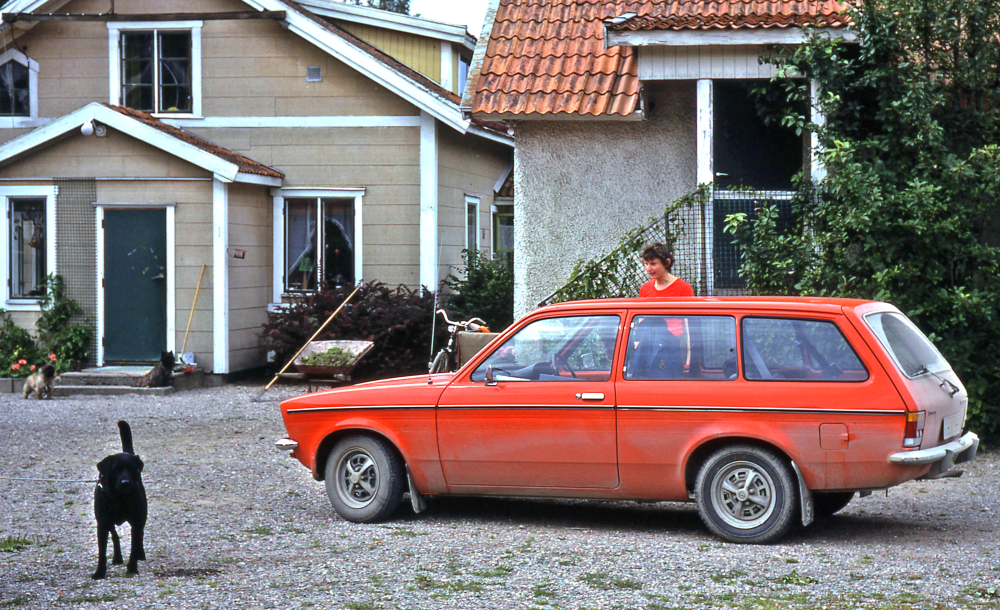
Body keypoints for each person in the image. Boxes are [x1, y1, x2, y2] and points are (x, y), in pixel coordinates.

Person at [637, 243, 693, 375]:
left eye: (653, 263)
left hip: (674, 343)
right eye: (646, 264)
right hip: (650, 343)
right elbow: (641, 320)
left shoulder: (683, 288)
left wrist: (689, 353)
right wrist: (637, 344)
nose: (648, 268)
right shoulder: (645, 289)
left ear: (666, 263)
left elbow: (690, 323)